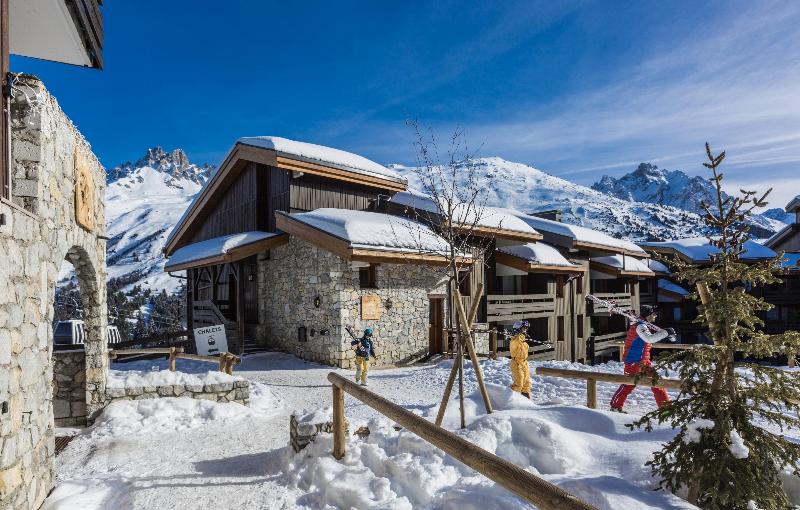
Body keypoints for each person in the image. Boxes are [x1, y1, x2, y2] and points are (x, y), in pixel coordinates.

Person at [610, 305, 676, 412]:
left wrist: (666, 334)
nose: (655, 316)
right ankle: (615, 406)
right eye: (654, 314)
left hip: (644, 361)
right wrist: (666, 332)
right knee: (629, 384)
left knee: (657, 382)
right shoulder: (640, 326)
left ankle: (665, 408)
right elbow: (649, 339)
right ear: (648, 315)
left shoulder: (643, 325)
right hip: (634, 361)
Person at [509, 320, 532, 399]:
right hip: (516, 363)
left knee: (526, 383)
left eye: (526, 329)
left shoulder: (523, 339)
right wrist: (519, 335)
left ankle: (525, 399)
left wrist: (525, 338)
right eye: (523, 329)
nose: (525, 331)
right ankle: (507, 397)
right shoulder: (515, 339)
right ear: (518, 329)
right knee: (519, 384)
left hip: (524, 363)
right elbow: (517, 341)